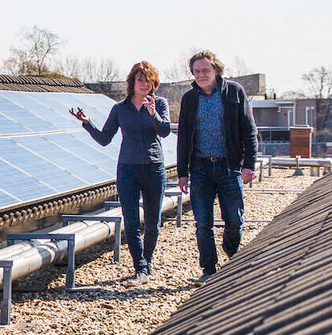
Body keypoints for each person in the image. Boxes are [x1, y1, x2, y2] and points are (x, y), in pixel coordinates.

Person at [70, 61, 171, 278]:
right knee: (132, 221)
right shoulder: (119, 109)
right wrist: (87, 123)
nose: (144, 84)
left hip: (153, 168)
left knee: (153, 221)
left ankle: (148, 260)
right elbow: (105, 138)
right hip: (128, 170)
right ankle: (140, 268)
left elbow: (165, 132)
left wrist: (153, 114)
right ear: (132, 82)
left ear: (154, 83)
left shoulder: (159, 103)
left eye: (148, 80)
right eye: (140, 80)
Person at [175, 50, 258, 279]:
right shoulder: (190, 99)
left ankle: (231, 254)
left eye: (205, 70)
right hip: (201, 167)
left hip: (228, 166)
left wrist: (249, 164)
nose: (201, 75)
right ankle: (208, 269)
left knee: (233, 220)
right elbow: (183, 136)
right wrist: (183, 173)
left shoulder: (234, 92)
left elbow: (249, 131)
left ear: (216, 70)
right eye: (197, 71)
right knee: (203, 222)